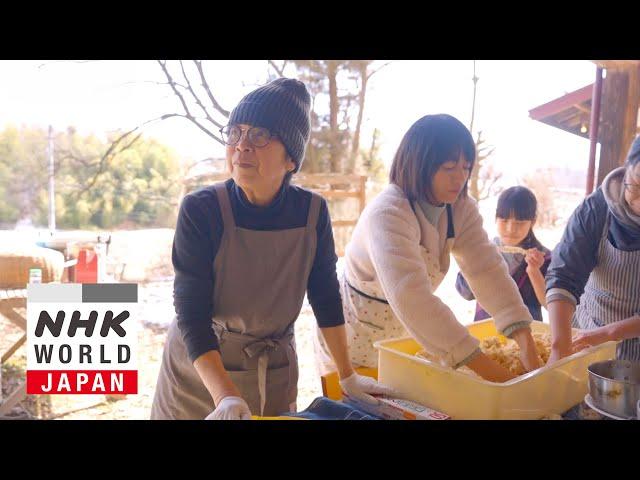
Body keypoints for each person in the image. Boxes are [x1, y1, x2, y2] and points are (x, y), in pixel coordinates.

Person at [151, 78, 393, 420]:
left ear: (291, 159)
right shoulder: (201, 210)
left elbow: (325, 297)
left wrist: (348, 375)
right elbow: (192, 313)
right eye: (235, 132)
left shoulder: (311, 214)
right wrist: (226, 397)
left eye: (260, 135)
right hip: (200, 372)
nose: (242, 146)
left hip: (272, 367)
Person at [314, 114, 542, 383]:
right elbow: (412, 297)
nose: (459, 178)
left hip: (406, 337)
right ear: (419, 165)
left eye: (466, 167)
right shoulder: (388, 213)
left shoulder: (460, 208)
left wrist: (525, 341)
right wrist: (495, 375)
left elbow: (487, 269)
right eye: (448, 168)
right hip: (355, 339)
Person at [546, 135, 640, 363]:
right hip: (588, 337)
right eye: (637, 185)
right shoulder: (596, 209)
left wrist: (611, 333)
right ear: (626, 171)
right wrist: (560, 344)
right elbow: (564, 275)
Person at [456, 186, 551, 322]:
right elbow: (465, 293)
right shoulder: (482, 249)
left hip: (528, 331)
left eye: (519, 223)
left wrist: (534, 271)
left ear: (533, 222)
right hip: (487, 330)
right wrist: (474, 261)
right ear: (496, 217)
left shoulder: (544, 257)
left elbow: (549, 304)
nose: (510, 229)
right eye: (504, 220)